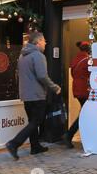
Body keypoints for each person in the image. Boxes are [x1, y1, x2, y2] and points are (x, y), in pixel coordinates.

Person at [5, 32, 61, 160]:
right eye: (44, 41)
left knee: (32, 121)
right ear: (38, 42)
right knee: (36, 121)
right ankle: (14, 143)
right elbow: (42, 76)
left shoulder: (22, 56)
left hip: (26, 95)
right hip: (36, 95)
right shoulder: (38, 56)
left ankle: (35, 147)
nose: (45, 43)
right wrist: (55, 87)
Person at [62, 41, 90, 148]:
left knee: (84, 113)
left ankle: (70, 135)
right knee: (84, 114)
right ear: (88, 49)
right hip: (85, 90)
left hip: (77, 89)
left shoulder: (75, 59)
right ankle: (69, 135)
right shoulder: (87, 60)